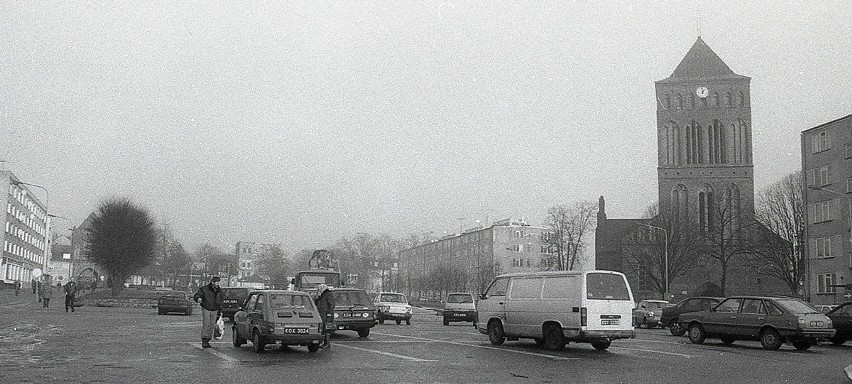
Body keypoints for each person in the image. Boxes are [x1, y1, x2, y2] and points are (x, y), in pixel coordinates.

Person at [193, 276, 223, 348]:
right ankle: (204, 339)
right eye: (216, 282)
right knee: (206, 323)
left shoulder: (219, 291)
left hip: (215, 309)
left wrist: (221, 310)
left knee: (212, 325)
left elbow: (220, 301)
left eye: (218, 282)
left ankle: (208, 339)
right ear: (212, 282)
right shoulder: (204, 289)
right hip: (206, 307)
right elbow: (197, 295)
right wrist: (198, 298)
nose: (218, 284)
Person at [314, 284, 335, 349]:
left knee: (326, 328)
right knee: (323, 328)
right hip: (321, 314)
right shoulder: (321, 295)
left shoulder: (327, 294)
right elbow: (316, 303)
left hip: (326, 314)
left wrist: (329, 313)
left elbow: (331, 304)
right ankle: (324, 342)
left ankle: (327, 343)